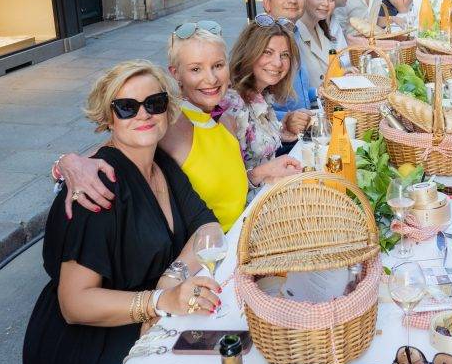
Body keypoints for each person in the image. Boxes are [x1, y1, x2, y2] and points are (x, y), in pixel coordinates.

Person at [24, 61, 224, 364]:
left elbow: (208, 228)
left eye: (155, 103)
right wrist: (158, 301)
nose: (144, 114)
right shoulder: (97, 187)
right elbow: (74, 303)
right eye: (127, 107)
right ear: (108, 117)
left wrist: (170, 278)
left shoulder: (161, 165)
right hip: (88, 347)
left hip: (147, 320)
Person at [54, 23, 302, 232]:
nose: (211, 79)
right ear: (175, 74)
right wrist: (68, 162)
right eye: (195, 69)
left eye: (218, 65)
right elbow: (112, 149)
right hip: (206, 255)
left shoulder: (226, 119)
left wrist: (259, 174)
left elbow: (225, 188)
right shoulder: (170, 122)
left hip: (245, 234)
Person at [220, 21, 306, 201]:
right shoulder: (231, 104)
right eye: (267, 52)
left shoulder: (263, 94)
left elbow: (256, 145)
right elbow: (223, 182)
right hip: (250, 209)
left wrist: (282, 132)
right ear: (249, 53)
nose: (278, 63)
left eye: (284, 55)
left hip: (271, 195)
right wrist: (260, 173)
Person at [260, 0, 319, 121]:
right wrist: (288, 118)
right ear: (267, 2)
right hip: (278, 134)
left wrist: (319, 93)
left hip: (303, 126)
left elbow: (296, 93)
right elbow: (248, 104)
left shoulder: (294, 33)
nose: (292, 0)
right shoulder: (260, 41)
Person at [296, 0, 350, 88]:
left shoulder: (322, 29)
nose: (325, 3)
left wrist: (343, 73)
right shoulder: (294, 34)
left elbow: (328, 72)